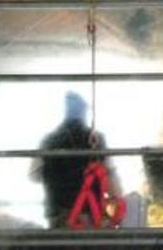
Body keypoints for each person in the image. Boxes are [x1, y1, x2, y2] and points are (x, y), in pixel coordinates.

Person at [30, 92, 121, 228]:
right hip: (90, 217)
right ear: (83, 113)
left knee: (62, 247)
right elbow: (110, 178)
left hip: (59, 217)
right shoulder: (96, 140)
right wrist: (117, 202)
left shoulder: (49, 141)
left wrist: (57, 174)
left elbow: (34, 175)